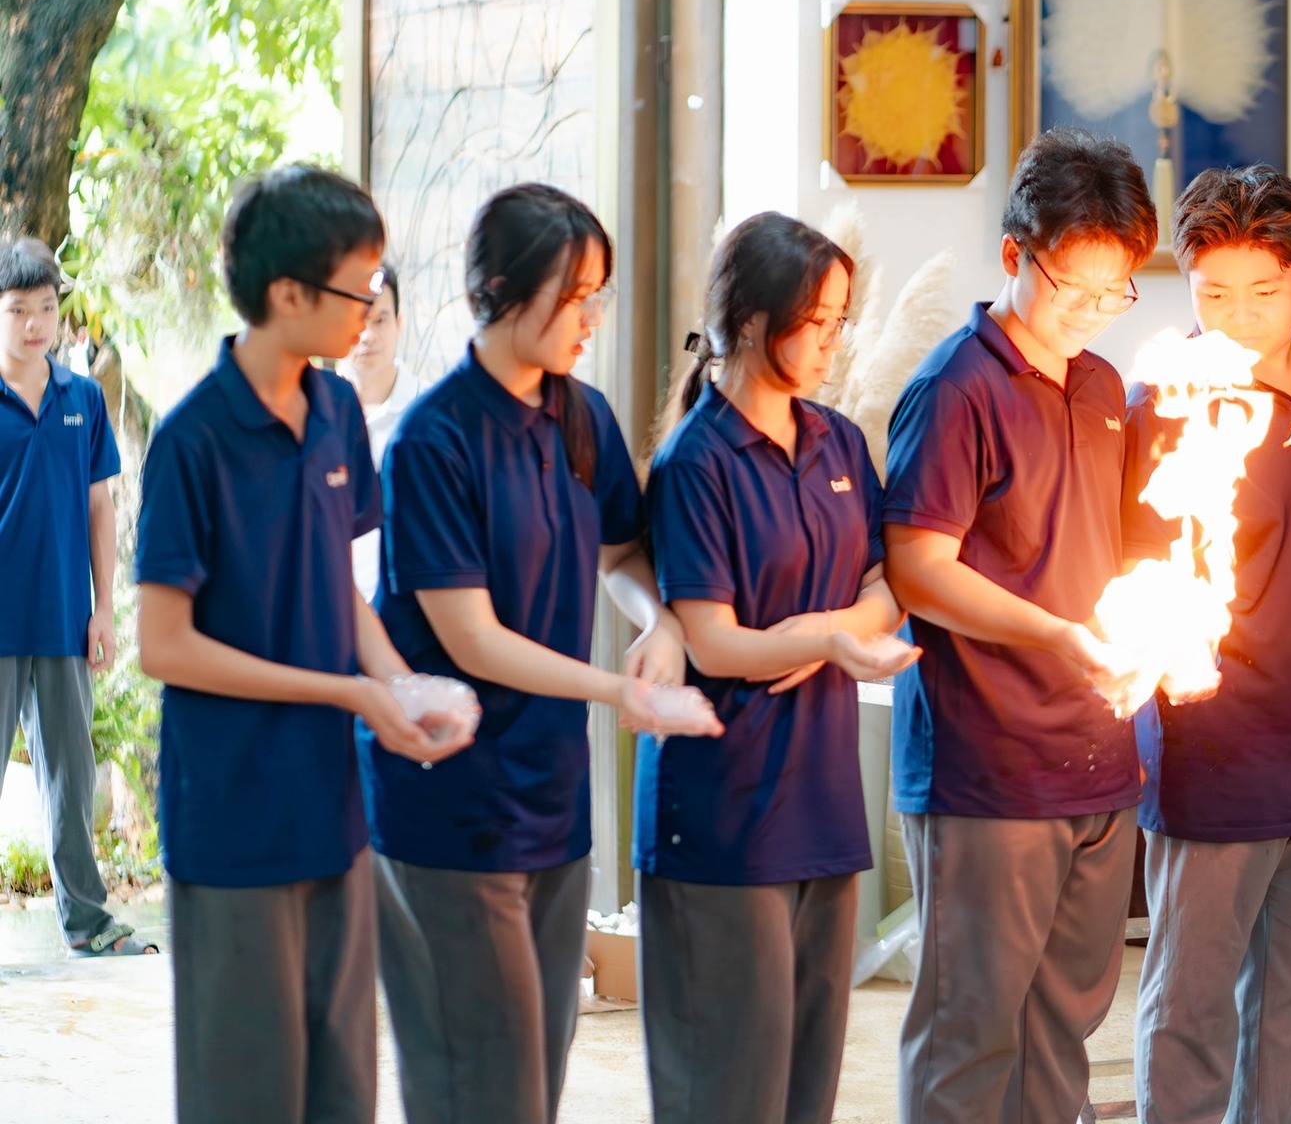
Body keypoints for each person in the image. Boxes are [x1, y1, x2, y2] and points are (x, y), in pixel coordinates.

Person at [364, 182, 721, 1124]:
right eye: (573, 296)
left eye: (600, 294)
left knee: (537, 1077)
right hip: (451, 807)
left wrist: (662, 622)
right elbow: (471, 638)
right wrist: (619, 691)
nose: (592, 317)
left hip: (553, 804)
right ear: (496, 291)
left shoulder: (582, 416)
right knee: (480, 1083)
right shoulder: (432, 440)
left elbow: (622, 554)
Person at [134, 165, 471, 1124]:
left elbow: (338, 585)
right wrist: (348, 695)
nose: (370, 310)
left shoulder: (336, 415)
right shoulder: (192, 440)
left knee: (343, 1089)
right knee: (247, 1094)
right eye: (357, 288)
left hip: (332, 810)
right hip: (233, 820)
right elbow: (164, 646)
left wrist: (399, 684)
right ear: (287, 294)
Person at [883, 126, 1159, 1124]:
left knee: (1063, 1029)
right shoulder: (954, 388)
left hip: (1099, 759)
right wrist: (1057, 635)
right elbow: (917, 570)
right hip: (986, 766)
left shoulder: (1102, 386)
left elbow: (1113, 550)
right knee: (970, 1029)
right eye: (1076, 286)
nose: (1094, 311)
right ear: (1015, 254)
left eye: (1116, 291)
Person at [641, 211, 920, 1124]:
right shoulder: (696, 461)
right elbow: (714, 643)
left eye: (842, 319)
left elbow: (890, 584)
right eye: (818, 321)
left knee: (808, 1089)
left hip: (823, 804)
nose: (836, 340)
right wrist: (830, 642)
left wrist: (829, 629)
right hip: (722, 812)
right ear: (753, 322)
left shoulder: (837, 441)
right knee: (729, 1087)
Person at [1124, 166, 1291, 1124]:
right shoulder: (1163, 401)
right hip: (1214, 748)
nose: (1238, 318)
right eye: (1213, 295)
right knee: (1190, 1009)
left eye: (1264, 292)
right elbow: (1135, 584)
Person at [0, 236, 154, 958]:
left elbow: (100, 508)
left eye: (45, 307)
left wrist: (104, 608)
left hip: (65, 618)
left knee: (71, 778)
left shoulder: (83, 399)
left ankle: (88, 923)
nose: (35, 323)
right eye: (17, 310)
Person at [338, 264, 421, 603]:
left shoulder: (427, 417)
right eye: (359, 320)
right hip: (333, 608)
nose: (368, 336)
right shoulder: (316, 413)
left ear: (400, 324)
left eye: (380, 320)